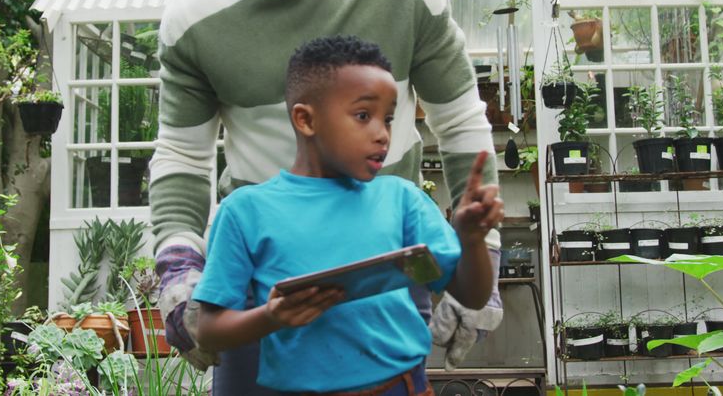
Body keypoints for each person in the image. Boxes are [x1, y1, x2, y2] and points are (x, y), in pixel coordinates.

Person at [150, 0, 503, 390]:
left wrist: (484, 255)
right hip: (256, 281)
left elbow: (460, 124)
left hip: (386, 274)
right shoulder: (195, 14)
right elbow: (182, 156)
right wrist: (179, 272)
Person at [192, 36, 503, 395]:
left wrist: (472, 239)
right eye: (363, 116)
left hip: (401, 387)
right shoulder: (245, 212)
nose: (382, 134)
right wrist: (270, 317)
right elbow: (209, 329)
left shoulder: (403, 201)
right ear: (306, 120)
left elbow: (472, 294)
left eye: (388, 119)